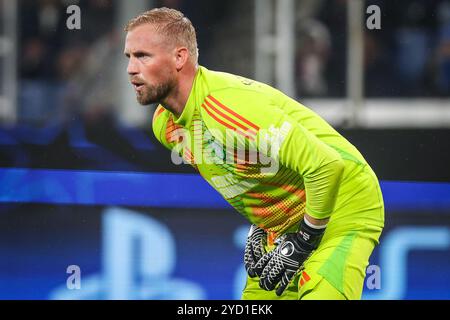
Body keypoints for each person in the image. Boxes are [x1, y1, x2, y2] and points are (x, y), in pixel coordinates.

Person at [123, 7, 384, 300]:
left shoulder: (226, 109)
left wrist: (305, 240)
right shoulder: (165, 125)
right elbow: (244, 172)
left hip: (343, 202)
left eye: (143, 56)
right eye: (129, 57)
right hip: (288, 222)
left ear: (180, 57)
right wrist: (259, 227)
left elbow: (326, 165)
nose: (132, 68)